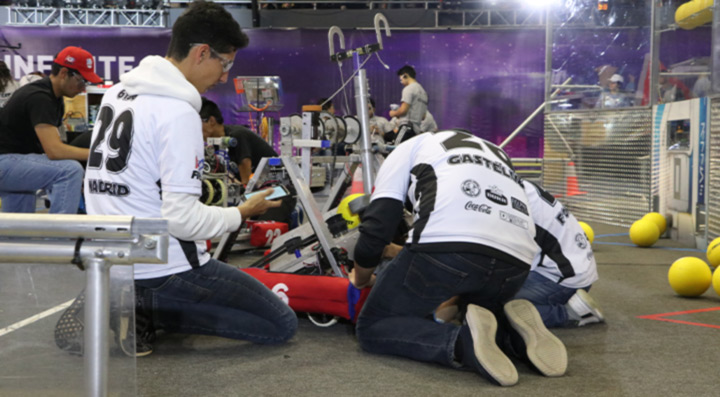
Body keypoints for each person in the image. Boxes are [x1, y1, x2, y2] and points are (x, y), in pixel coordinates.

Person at [80, 1, 297, 356]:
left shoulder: (117, 93)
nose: (225, 75)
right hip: (166, 264)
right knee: (280, 323)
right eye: (225, 63)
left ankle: (128, 303)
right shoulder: (178, 112)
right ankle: (151, 311)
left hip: (115, 258)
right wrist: (243, 211)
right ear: (201, 53)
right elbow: (182, 220)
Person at [350, 129, 567, 387]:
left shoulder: (405, 151)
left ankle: (461, 345)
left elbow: (377, 228)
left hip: (448, 247)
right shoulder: (492, 150)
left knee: (374, 325)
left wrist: (361, 277)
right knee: (476, 313)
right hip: (516, 263)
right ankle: (514, 338)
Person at [0, 46, 100, 214]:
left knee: (19, 230)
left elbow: (52, 148)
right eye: (81, 81)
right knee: (70, 171)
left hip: (14, 161)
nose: (83, 88)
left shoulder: (54, 97)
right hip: (5, 162)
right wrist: (98, 154)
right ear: (63, 73)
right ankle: (60, 236)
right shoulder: (40, 97)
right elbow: (54, 151)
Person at [513, 181, 604, 328]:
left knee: (492, 307)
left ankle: (569, 314)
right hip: (574, 268)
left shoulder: (511, 200)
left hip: (564, 277)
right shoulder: (519, 185)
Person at [200, 97, 278, 185]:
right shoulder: (215, 143)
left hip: (272, 185)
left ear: (211, 121)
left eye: (197, 123)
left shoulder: (237, 136)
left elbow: (246, 183)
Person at [388, 65, 427, 139]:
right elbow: (423, 116)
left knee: (398, 149)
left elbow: (403, 110)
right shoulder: (424, 92)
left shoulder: (409, 89)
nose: (401, 82)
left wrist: (393, 113)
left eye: (401, 79)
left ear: (405, 75)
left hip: (406, 127)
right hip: (416, 130)